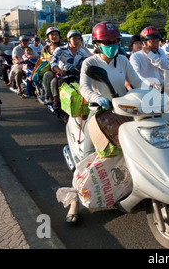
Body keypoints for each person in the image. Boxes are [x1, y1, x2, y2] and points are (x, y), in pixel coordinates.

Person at [65, 21, 143, 224]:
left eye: (115, 40)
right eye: (107, 41)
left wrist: (152, 92)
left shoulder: (123, 61)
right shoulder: (89, 63)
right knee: (86, 157)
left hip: (124, 111)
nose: (113, 44)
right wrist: (95, 97)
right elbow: (84, 87)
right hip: (99, 114)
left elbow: (137, 82)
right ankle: (74, 199)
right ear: (98, 43)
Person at [49, 30, 90, 109]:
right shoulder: (60, 50)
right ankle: (56, 100)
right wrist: (59, 70)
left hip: (78, 75)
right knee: (55, 83)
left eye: (78, 39)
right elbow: (53, 62)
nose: (77, 41)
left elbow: (89, 61)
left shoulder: (82, 51)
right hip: (64, 76)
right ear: (68, 39)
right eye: (74, 39)